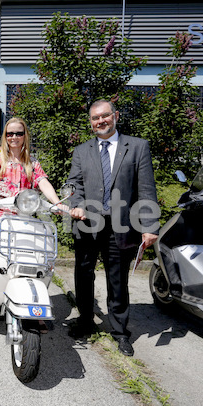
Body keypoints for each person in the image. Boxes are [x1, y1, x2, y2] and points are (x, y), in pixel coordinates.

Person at [66, 99, 159, 357]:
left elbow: (146, 189)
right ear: (90, 122)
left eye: (105, 116)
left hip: (121, 226)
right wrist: (77, 204)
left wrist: (150, 226)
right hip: (87, 225)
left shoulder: (138, 147)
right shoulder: (81, 151)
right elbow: (74, 185)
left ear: (115, 116)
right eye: (95, 118)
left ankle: (120, 332)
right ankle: (85, 320)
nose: (100, 121)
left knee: (117, 281)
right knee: (83, 276)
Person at [0, 117, 67, 233]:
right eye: (10, 134)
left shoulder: (32, 163)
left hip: (24, 214)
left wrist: (57, 203)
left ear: (25, 136)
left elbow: (43, 182)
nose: (14, 137)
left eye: (19, 134)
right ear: (5, 136)